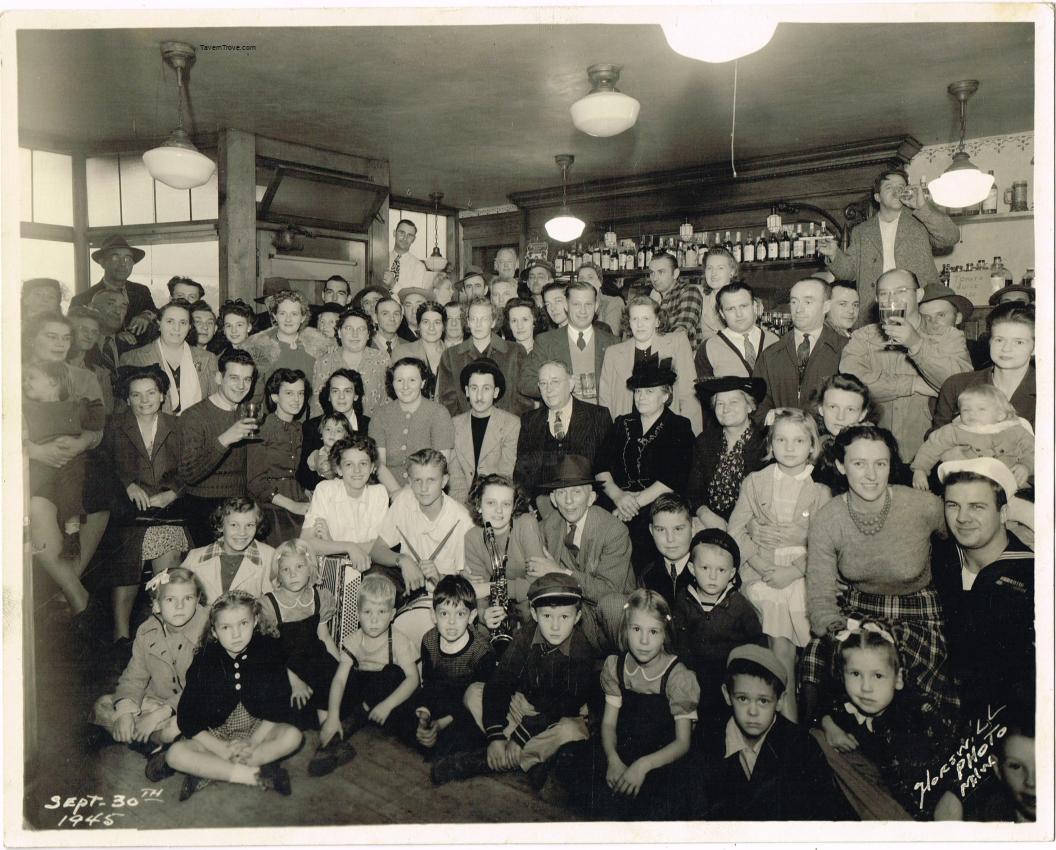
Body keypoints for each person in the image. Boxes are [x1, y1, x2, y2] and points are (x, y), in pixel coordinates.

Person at [803, 425, 958, 720]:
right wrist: (844, 631)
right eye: (859, 464)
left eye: (880, 464)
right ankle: (816, 737)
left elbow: (959, 541)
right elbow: (821, 599)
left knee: (893, 668)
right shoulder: (827, 519)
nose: (871, 475)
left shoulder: (922, 505)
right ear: (840, 466)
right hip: (858, 610)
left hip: (918, 613)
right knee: (815, 655)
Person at [432, 573, 595, 788]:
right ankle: (527, 759)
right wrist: (496, 735)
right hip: (523, 708)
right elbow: (500, 682)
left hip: (554, 718)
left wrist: (519, 737)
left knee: (573, 732)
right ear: (535, 614)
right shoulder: (524, 637)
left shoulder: (582, 650)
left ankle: (486, 761)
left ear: (577, 617)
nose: (555, 626)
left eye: (564, 617)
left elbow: (560, 705)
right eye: (547, 616)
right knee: (474, 692)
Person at [728, 408, 831, 717]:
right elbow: (735, 529)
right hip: (762, 569)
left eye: (798, 441)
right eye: (781, 440)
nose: (789, 448)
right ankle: (788, 705)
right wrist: (760, 564)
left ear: (812, 446)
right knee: (778, 631)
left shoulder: (820, 491)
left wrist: (792, 570)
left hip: (800, 571)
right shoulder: (755, 482)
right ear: (770, 445)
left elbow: (825, 544)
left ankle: (790, 696)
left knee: (798, 606)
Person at [814, 620, 958, 820]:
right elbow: (825, 704)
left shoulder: (916, 715)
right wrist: (828, 724)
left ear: (898, 679)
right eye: (855, 674)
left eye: (878, 676)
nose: (866, 687)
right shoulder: (847, 706)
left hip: (924, 808)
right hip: (881, 797)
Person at [166, 591, 302, 800]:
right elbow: (187, 717)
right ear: (214, 631)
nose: (236, 634)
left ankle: (211, 771)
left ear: (255, 620)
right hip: (216, 733)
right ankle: (252, 775)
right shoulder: (205, 659)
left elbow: (280, 704)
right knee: (174, 755)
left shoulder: (268, 650)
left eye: (243, 624)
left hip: (258, 726)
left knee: (293, 736)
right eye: (226, 627)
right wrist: (220, 749)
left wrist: (253, 742)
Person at [694, 644, 853, 820]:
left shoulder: (801, 746)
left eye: (763, 701)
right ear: (727, 695)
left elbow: (823, 812)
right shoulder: (708, 742)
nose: (752, 712)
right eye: (743, 699)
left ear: (780, 701)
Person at [932, 458, 1035, 715]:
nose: (962, 518)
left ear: (1003, 514)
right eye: (953, 505)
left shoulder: (1032, 575)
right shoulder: (937, 559)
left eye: (977, 507)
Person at [23, 313, 107, 617]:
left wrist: (81, 442)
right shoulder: (15, 374)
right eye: (51, 336)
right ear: (32, 338)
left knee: (100, 494)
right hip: (28, 463)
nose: (60, 344)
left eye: (66, 338)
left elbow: (98, 428)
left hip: (75, 458)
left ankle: (66, 586)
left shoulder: (82, 377)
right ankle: (75, 593)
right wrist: (34, 451)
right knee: (38, 507)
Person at [841, 269, 971, 461]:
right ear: (877, 300)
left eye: (901, 291)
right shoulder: (863, 337)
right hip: (873, 453)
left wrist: (916, 344)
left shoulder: (947, 335)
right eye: (884, 294)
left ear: (918, 295)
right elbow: (850, 386)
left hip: (929, 454)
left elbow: (962, 387)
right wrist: (914, 385)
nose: (892, 299)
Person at [592, 589, 699, 821]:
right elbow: (609, 724)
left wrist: (643, 766)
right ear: (625, 629)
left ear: (665, 635)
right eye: (636, 629)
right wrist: (612, 759)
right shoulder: (616, 666)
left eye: (653, 631)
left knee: (657, 806)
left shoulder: (678, 677)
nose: (643, 641)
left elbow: (682, 743)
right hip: (624, 749)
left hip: (661, 758)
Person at [90, 568, 208, 773]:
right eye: (170, 599)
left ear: (198, 600)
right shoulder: (147, 630)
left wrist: (159, 714)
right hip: (156, 701)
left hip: (193, 704)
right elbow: (134, 677)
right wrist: (126, 712)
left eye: (187, 598)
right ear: (156, 604)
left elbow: (203, 687)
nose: (179, 606)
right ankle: (151, 742)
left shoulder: (209, 631)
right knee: (103, 705)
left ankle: (148, 740)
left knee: (176, 727)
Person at [104, 365, 189, 648]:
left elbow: (190, 469)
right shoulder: (115, 426)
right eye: (136, 395)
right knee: (127, 554)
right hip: (129, 513)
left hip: (167, 512)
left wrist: (173, 494)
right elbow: (105, 465)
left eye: (151, 393)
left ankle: (167, 635)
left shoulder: (177, 427)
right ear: (127, 399)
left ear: (162, 396)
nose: (144, 401)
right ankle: (121, 637)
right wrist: (127, 485)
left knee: (166, 555)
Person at [819, 167, 959, 326]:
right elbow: (849, 272)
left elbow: (951, 237)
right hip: (878, 310)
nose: (896, 191)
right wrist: (834, 254)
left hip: (920, 308)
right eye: (889, 187)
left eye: (901, 187)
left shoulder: (920, 220)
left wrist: (922, 207)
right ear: (877, 197)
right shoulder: (862, 231)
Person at [311, 573, 420, 775]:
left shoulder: (398, 640)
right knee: (331, 676)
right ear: (358, 613)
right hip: (363, 695)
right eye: (367, 612)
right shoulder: (354, 639)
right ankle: (332, 736)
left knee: (393, 674)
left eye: (381, 612)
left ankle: (355, 721)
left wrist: (387, 705)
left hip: (387, 699)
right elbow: (341, 679)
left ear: (393, 614)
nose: (374, 620)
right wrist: (333, 715)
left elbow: (414, 679)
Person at [596, 359, 696, 574]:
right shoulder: (622, 423)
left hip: (655, 507)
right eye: (638, 392)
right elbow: (600, 466)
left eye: (649, 392)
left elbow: (674, 477)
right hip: (616, 503)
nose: (640, 398)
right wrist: (618, 497)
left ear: (666, 395)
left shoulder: (679, 426)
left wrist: (633, 504)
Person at [370, 448, 474, 649]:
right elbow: (376, 550)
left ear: (444, 481)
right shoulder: (403, 501)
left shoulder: (462, 519)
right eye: (417, 480)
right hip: (410, 586)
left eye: (431, 480)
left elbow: (468, 584)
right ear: (409, 481)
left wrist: (440, 577)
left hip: (446, 594)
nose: (423, 488)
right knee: (375, 577)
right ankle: (375, 651)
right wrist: (403, 560)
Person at [534, 454, 635, 655]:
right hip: (574, 615)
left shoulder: (614, 530)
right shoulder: (547, 526)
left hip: (612, 619)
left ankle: (623, 666)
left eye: (576, 492)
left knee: (612, 604)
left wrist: (562, 572)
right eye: (561, 493)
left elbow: (608, 591)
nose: (569, 501)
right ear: (553, 499)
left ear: (591, 498)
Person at [673, 530, 764, 724]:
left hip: (728, 674)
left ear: (732, 573)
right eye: (705, 568)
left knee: (724, 714)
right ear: (691, 568)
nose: (712, 577)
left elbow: (756, 642)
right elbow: (678, 639)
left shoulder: (739, 605)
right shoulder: (684, 600)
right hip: (694, 672)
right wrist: (683, 669)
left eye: (721, 570)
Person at [176, 348, 259, 547]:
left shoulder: (247, 412)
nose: (241, 386)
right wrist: (225, 439)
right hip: (205, 504)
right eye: (234, 378)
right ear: (218, 378)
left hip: (240, 503)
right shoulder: (194, 416)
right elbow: (189, 474)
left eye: (247, 379)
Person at [415, 574, 498, 767]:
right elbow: (429, 684)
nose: (451, 622)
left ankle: (456, 757)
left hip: (465, 708)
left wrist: (441, 723)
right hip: (441, 700)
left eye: (460, 614)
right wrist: (424, 717)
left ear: (473, 616)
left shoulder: (482, 651)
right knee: (407, 710)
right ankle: (431, 739)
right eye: (444, 613)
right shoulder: (429, 640)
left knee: (469, 731)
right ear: (433, 615)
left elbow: (478, 701)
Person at [514, 360, 613, 513]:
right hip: (542, 510)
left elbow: (608, 469)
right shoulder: (529, 420)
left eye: (555, 382)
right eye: (544, 383)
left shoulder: (597, 416)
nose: (549, 389)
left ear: (571, 383)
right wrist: (525, 505)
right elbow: (521, 472)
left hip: (590, 507)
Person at [22, 360, 102, 550]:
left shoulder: (74, 405)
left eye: (31, 378)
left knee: (72, 480)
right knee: (31, 484)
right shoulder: (26, 410)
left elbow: (97, 417)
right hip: (40, 461)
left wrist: (80, 441)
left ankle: (72, 531)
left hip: (71, 458)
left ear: (53, 381)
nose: (26, 382)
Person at [264, 539, 341, 729]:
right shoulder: (269, 605)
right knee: (297, 713)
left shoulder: (319, 598)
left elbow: (324, 637)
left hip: (316, 662)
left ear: (311, 568)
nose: (293, 574)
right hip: (286, 667)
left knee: (339, 681)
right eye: (285, 570)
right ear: (278, 575)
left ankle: (326, 725)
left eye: (299, 566)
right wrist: (295, 681)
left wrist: (341, 670)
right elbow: (270, 655)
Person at [600, 295, 702, 434]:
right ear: (628, 322)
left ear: (657, 321)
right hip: (628, 432)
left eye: (646, 318)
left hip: (669, 431)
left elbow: (689, 395)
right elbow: (606, 402)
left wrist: (692, 436)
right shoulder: (613, 353)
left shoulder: (677, 343)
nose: (639, 324)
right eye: (634, 319)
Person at [753, 277, 848, 421]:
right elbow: (757, 405)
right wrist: (780, 420)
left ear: (826, 306)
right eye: (794, 301)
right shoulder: (771, 354)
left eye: (808, 302)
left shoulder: (846, 349)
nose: (798, 309)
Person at [462, 473, 544, 635]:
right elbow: (479, 592)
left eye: (506, 504)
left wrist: (490, 587)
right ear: (479, 505)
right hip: (499, 601)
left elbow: (537, 584)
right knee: (480, 630)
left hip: (530, 602)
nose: (499, 511)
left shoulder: (526, 524)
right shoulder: (472, 537)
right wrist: (485, 615)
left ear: (513, 507)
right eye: (491, 503)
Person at [912, 384, 1033, 492]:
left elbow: (1033, 450)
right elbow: (932, 446)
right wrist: (920, 469)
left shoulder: (1015, 430)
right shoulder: (955, 430)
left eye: (981, 409)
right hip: (967, 484)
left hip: (1009, 484)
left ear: (1000, 415)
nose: (972, 413)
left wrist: (1026, 466)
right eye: (966, 409)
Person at [934, 301, 1035, 430]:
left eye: (1019, 342)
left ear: (1035, 347)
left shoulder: (1048, 391)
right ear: (989, 342)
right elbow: (935, 441)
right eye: (999, 340)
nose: (1006, 348)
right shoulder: (957, 385)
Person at [687, 376, 768, 529]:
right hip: (707, 522)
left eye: (733, 402)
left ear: (750, 406)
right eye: (720, 403)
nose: (725, 409)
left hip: (750, 526)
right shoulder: (704, 441)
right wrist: (704, 513)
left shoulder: (765, 444)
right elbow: (693, 491)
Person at [521, 281, 618, 405]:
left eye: (588, 304)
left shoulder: (612, 342)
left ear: (596, 306)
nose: (583, 311)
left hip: (602, 419)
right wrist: (559, 386)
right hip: (562, 420)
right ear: (566, 306)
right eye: (576, 304)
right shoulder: (546, 341)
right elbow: (525, 382)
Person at [369, 358, 455, 493]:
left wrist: (412, 494)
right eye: (399, 380)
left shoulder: (439, 413)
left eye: (412, 380)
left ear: (423, 382)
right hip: (388, 493)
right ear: (392, 383)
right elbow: (378, 464)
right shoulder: (380, 414)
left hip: (426, 491)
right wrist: (397, 493)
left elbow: (440, 465)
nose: (405, 387)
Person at [301, 435, 388, 568]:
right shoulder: (325, 490)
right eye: (348, 464)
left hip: (369, 567)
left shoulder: (379, 493)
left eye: (363, 463)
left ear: (372, 468)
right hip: (329, 570)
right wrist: (349, 547)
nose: (357, 470)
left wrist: (331, 543)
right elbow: (306, 542)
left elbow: (379, 546)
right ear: (339, 469)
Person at [119, 300, 218, 416]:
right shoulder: (133, 358)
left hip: (197, 430)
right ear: (159, 324)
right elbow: (123, 410)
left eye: (183, 323)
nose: (176, 328)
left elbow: (214, 406)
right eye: (170, 321)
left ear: (190, 327)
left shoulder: (208, 358)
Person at [247, 369, 311, 546]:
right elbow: (254, 481)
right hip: (269, 506)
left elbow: (297, 473)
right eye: (289, 393)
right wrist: (291, 505)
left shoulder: (299, 428)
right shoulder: (262, 429)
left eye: (300, 393)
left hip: (297, 498)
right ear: (275, 397)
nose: (296, 399)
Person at [436, 298, 530, 417]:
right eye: (474, 319)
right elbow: (447, 401)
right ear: (468, 322)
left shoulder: (515, 352)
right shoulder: (451, 356)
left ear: (493, 322)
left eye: (484, 319)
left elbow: (524, 399)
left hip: (507, 428)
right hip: (465, 429)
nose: (478, 324)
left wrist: (511, 423)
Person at [448, 359, 521, 506]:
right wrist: (463, 510)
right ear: (467, 391)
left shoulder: (511, 424)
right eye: (474, 388)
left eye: (486, 389)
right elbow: (456, 479)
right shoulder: (454, 424)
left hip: (496, 500)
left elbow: (505, 474)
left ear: (496, 392)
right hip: (461, 502)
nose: (479, 396)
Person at [179, 496, 275, 605]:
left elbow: (274, 603)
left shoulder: (269, 556)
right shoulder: (195, 558)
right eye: (234, 525)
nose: (242, 533)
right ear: (220, 526)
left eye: (249, 525)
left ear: (257, 526)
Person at [243, 289, 335, 392]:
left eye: (294, 314)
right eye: (282, 313)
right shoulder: (259, 349)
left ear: (303, 317)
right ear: (275, 316)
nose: (288, 319)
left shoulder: (319, 347)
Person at [297, 367, 370, 493]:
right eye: (335, 391)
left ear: (356, 396)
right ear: (329, 396)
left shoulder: (368, 425)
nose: (341, 397)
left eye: (347, 391)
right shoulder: (312, 426)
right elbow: (303, 475)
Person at [71, 235, 157, 338]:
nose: (122, 264)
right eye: (115, 258)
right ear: (102, 262)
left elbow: (155, 311)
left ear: (133, 263)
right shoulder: (83, 299)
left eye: (127, 259)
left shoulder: (141, 291)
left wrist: (146, 316)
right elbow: (75, 336)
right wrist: (112, 337)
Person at [312, 309, 389, 418]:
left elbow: (387, 401)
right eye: (348, 328)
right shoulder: (324, 362)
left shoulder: (382, 360)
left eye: (361, 329)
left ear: (368, 334)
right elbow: (317, 406)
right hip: (333, 429)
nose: (355, 334)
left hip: (373, 429)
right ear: (339, 332)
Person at [694, 282, 779, 381]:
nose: (738, 314)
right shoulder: (708, 348)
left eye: (743, 306)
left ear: (754, 306)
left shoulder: (775, 341)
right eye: (730, 309)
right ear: (722, 314)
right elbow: (704, 393)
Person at [811, 372, 876, 492]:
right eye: (833, 407)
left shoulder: (873, 449)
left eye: (850, 409)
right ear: (821, 409)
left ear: (862, 414)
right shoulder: (815, 446)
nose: (840, 417)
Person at [638, 494, 696, 607]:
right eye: (660, 530)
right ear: (651, 531)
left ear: (693, 528)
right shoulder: (647, 576)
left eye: (678, 529)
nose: (670, 539)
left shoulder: (708, 572)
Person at [647, 252, 705, 351]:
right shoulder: (653, 298)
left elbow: (681, 331)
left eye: (661, 272)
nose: (655, 278)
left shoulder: (689, 291)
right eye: (652, 273)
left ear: (675, 274)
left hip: (682, 361)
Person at [392, 300, 448, 396]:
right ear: (418, 326)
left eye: (437, 322)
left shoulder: (453, 356)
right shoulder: (401, 352)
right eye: (426, 322)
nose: (431, 328)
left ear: (443, 327)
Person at [699, 247, 738, 342]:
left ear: (731, 272)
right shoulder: (699, 295)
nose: (714, 273)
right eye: (709, 268)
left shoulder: (742, 299)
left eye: (720, 268)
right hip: (705, 354)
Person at [575, 262, 624, 337]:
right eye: (581, 278)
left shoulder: (614, 303)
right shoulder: (574, 306)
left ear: (600, 282)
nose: (585, 282)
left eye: (590, 277)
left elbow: (610, 338)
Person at [388, 219, 427, 294]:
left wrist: (393, 284)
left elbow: (413, 298)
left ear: (413, 239)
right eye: (401, 233)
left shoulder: (419, 266)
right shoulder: (381, 259)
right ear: (394, 233)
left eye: (410, 235)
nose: (405, 238)